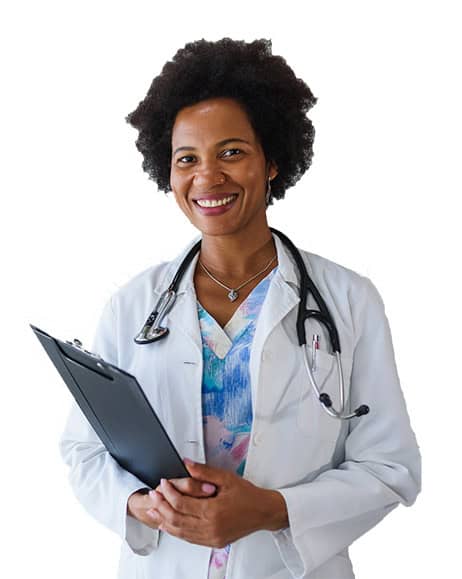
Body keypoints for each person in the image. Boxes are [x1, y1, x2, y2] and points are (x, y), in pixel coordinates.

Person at [60, 38, 422, 579]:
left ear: (272, 160)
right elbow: (84, 451)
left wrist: (271, 510)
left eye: (231, 152)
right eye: (187, 159)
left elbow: (391, 468)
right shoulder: (133, 305)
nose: (207, 177)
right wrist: (138, 504)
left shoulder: (349, 300)